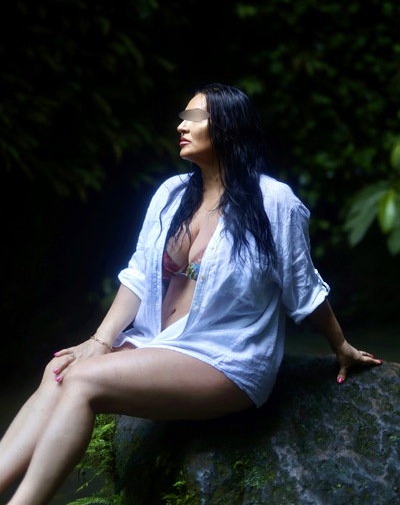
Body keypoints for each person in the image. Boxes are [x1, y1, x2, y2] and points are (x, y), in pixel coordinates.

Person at [0, 83, 382, 505]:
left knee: (83, 380)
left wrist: (341, 346)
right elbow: (138, 278)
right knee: (59, 370)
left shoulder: (275, 202)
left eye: (195, 118)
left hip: (225, 356)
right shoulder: (172, 194)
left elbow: (303, 288)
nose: (181, 126)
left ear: (228, 128)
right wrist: (99, 341)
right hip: (158, 340)